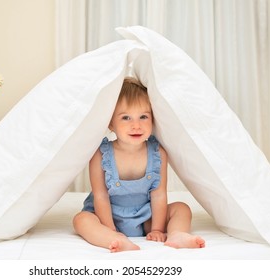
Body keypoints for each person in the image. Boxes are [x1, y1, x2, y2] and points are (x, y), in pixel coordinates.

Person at [73, 77, 205, 253]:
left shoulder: (158, 153)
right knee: (81, 220)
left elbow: (158, 195)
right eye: (126, 117)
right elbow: (101, 196)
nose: (136, 125)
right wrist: (111, 229)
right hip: (107, 215)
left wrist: (157, 229)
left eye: (143, 116)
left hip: (145, 216)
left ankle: (177, 234)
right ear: (111, 123)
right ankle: (111, 238)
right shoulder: (100, 154)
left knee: (182, 208)